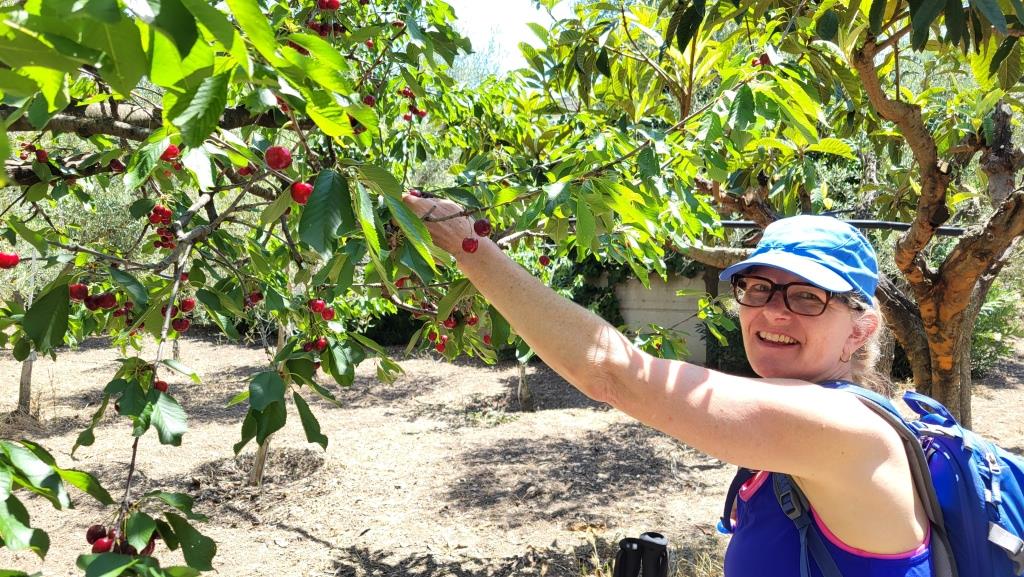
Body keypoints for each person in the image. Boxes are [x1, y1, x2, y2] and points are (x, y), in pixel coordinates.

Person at [402, 194, 933, 576]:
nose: (773, 311)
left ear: (860, 328)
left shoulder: (838, 426)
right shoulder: (835, 417)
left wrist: (470, 247)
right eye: (759, 288)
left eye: (807, 297)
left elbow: (613, 373)